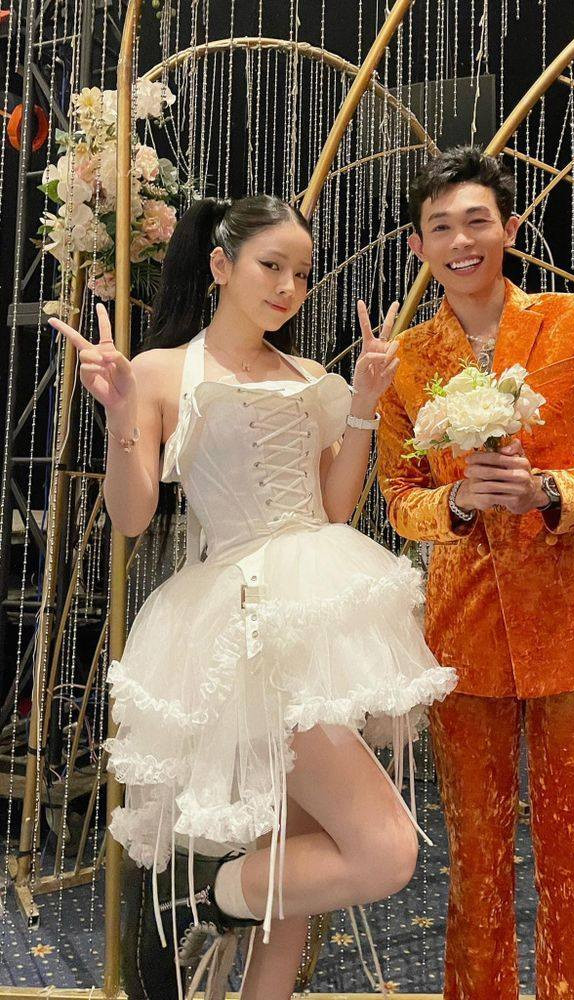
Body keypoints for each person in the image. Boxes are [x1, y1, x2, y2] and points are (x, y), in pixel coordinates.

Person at [50, 194, 457, 1000]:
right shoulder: (162, 370)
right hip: (241, 623)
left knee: (295, 878)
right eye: (271, 266)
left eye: (302, 274)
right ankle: (204, 899)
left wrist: (364, 405)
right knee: (384, 851)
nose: (288, 288)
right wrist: (122, 413)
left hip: (320, 609)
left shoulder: (310, 379)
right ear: (220, 265)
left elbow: (332, 510)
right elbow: (131, 516)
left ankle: (235, 935)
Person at [376, 147, 574, 1000]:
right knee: (476, 856)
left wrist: (551, 491)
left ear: (510, 228)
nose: (461, 241)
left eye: (477, 221)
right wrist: (457, 504)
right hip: (464, 636)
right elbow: (399, 497)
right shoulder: (408, 360)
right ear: (419, 247)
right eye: (441, 228)